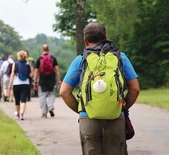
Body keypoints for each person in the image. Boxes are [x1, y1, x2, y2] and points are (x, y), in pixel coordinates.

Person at [60, 23, 140, 155]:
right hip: (116, 117)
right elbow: (135, 89)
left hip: (88, 118)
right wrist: (120, 106)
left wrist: (83, 109)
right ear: (106, 37)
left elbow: (64, 92)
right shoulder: (121, 58)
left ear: (85, 40)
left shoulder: (80, 60)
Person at [34, 44, 61, 118]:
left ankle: (43, 113)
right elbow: (57, 70)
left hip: (42, 80)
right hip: (51, 80)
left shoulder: (39, 59)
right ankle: (50, 107)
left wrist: (35, 82)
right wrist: (59, 80)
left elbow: (36, 71)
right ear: (48, 50)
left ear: (42, 50)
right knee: (52, 94)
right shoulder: (53, 58)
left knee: (42, 96)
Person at [8, 51, 34, 120]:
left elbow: (12, 75)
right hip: (26, 84)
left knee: (17, 100)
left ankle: (18, 113)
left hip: (16, 84)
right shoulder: (29, 64)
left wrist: (10, 84)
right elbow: (31, 75)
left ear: (19, 56)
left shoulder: (15, 64)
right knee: (23, 100)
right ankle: (22, 114)